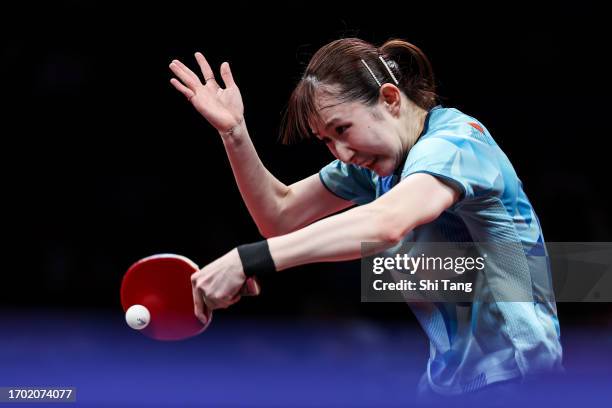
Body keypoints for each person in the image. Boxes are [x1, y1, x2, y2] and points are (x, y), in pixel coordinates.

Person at [168, 37, 563, 397]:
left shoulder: (456, 144)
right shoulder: (376, 168)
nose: (341, 152)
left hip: (520, 380)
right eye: (326, 140)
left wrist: (249, 259)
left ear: (390, 99)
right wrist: (235, 134)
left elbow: (386, 222)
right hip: (449, 387)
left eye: (343, 129)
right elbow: (281, 216)